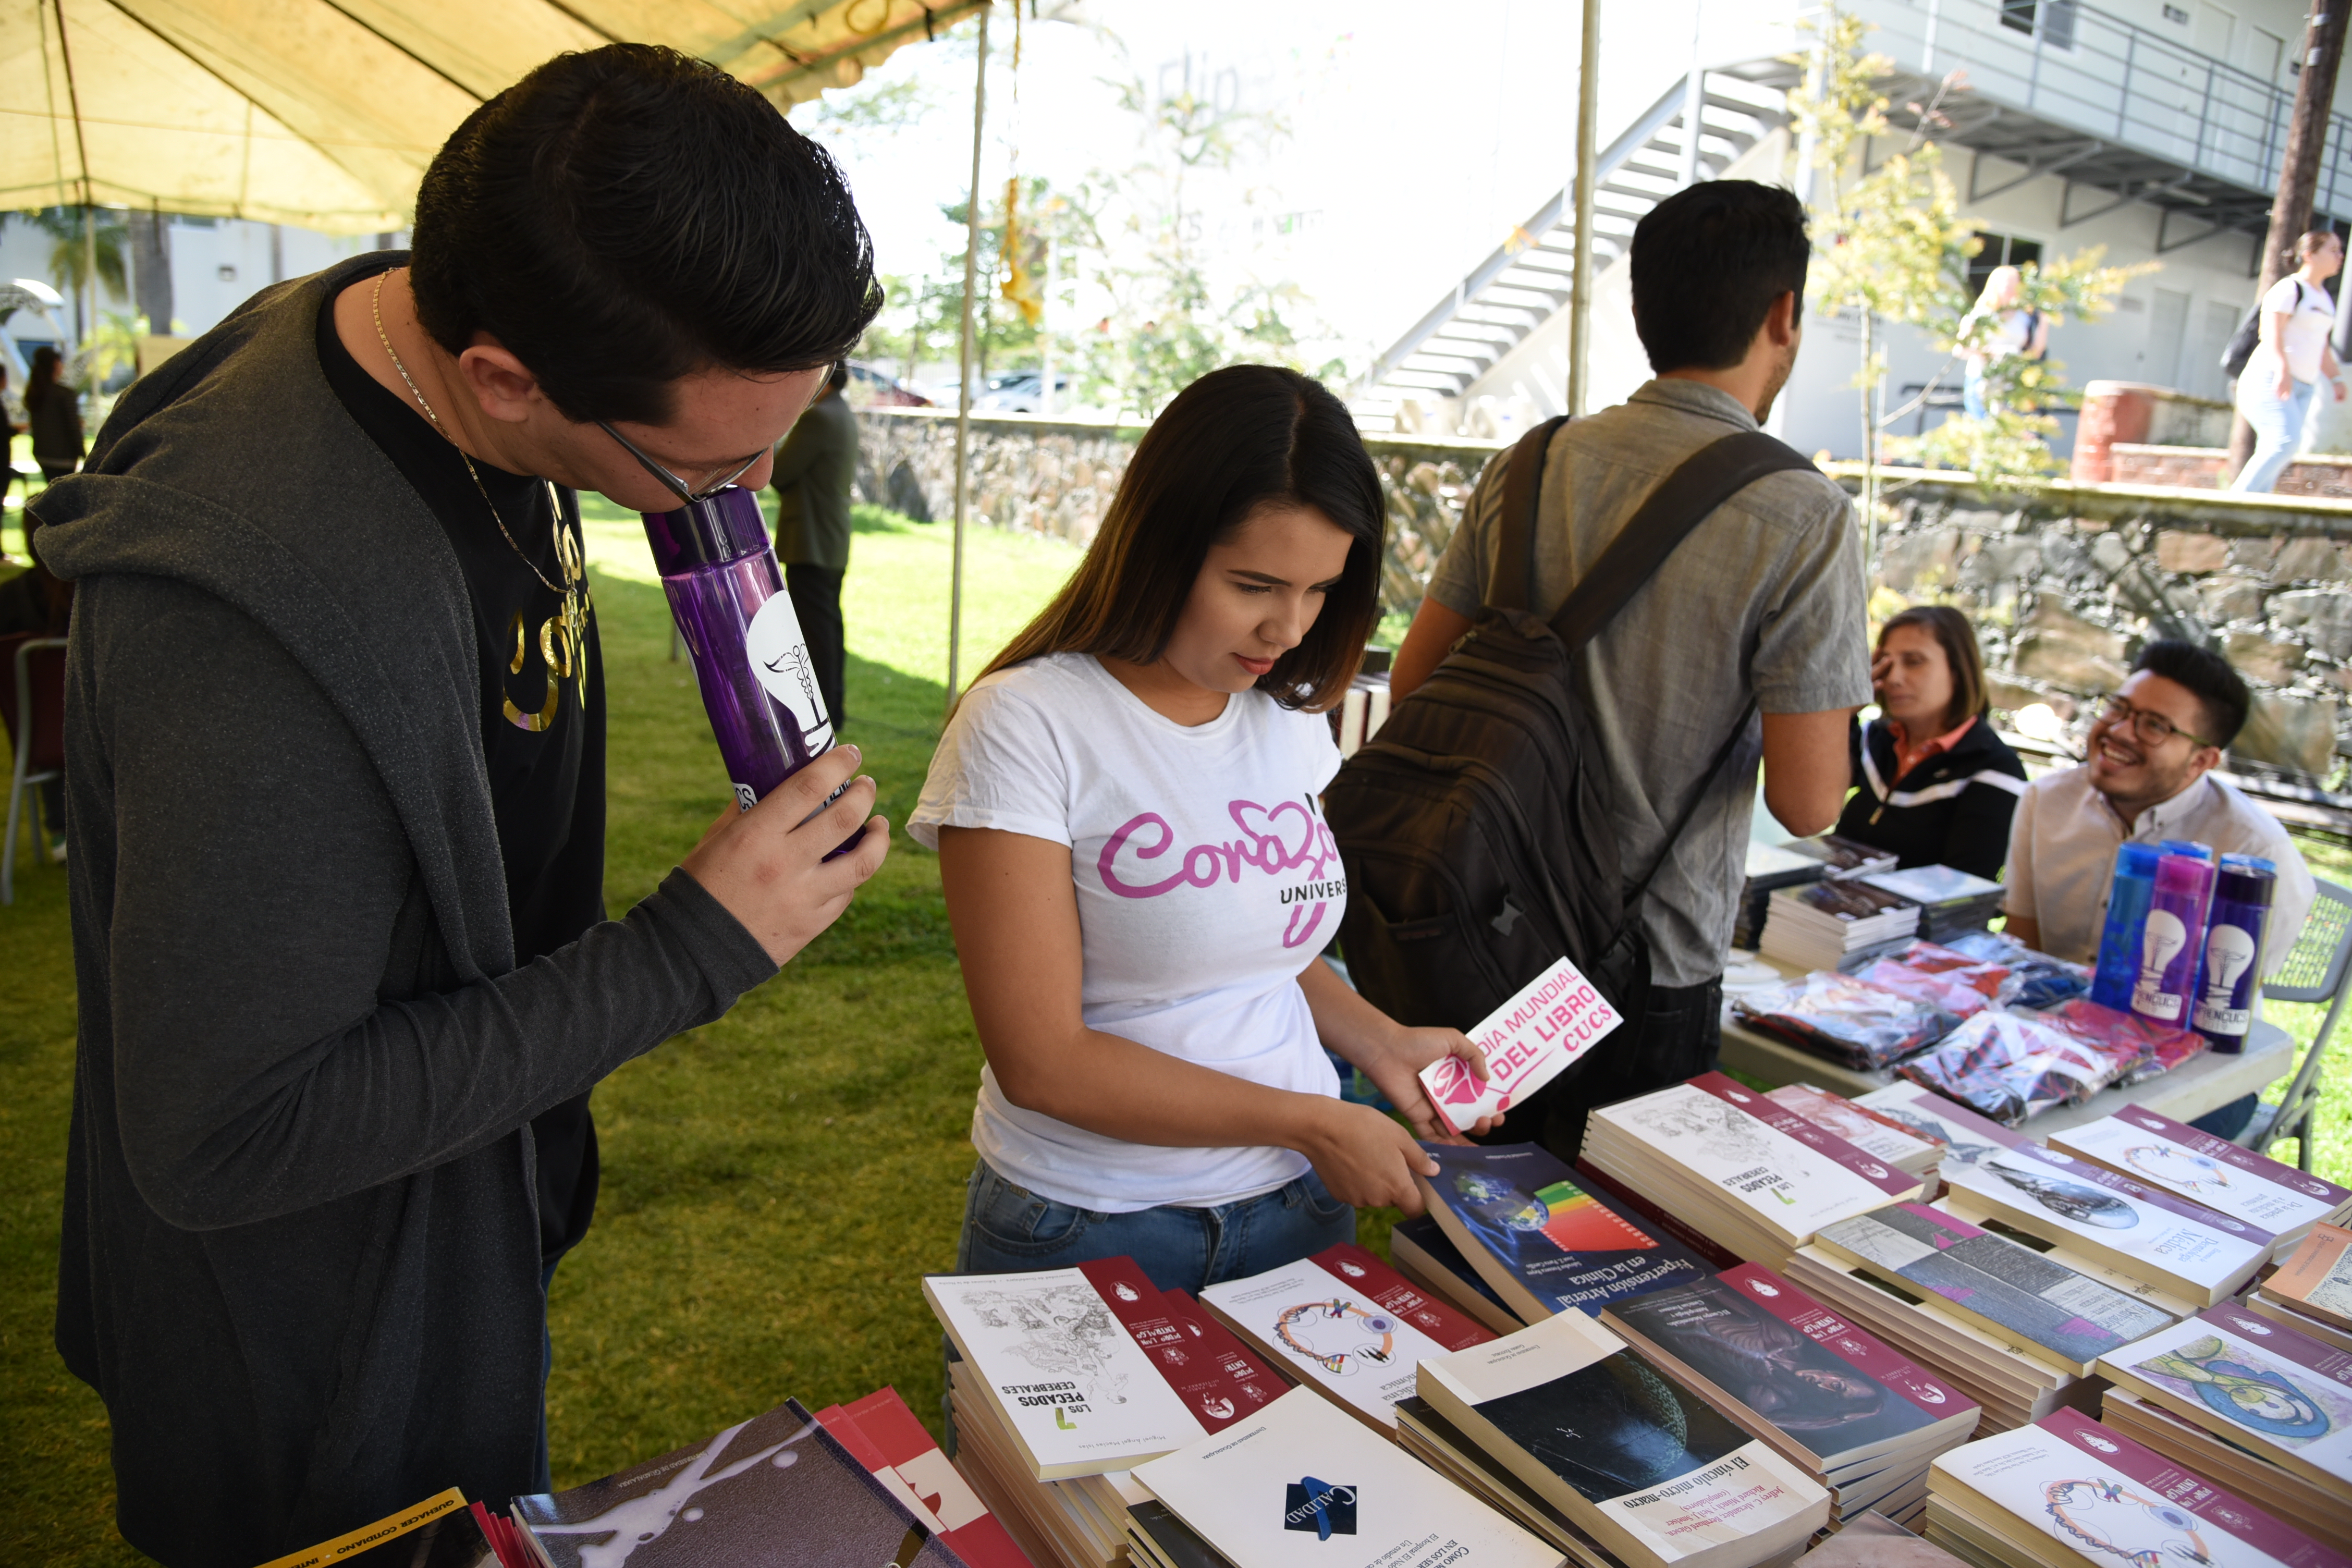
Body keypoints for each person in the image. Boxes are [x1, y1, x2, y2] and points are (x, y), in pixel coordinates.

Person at [30, 46, 890, 1568]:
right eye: (714, 464)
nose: (745, 497)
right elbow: (227, 1133)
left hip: (454, 1230)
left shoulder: (429, 315)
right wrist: (693, 945)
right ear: (506, 378)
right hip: (315, 1361)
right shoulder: (257, 622)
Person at [911, 364, 1497, 1296]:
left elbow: (1254, 944)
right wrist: (1309, 1120)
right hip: (1095, 1223)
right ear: (1159, 545)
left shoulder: (1283, 713)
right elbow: (1043, 1060)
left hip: (1299, 1198)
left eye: (1319, 590)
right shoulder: (1027, 722)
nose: (1287, 627)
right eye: (1254, 583)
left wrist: (1379, 1041)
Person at [1389, 179, 1871, 1158]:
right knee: (1606, 1265)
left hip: (1479, 923)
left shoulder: (1533, 460)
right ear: (1783, 315)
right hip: (1644, 965)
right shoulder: (1802, 513)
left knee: (1464, 1227)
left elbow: (1413, 689)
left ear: (1641, 310)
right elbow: (1813, 801)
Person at [2002, 639, 2316, 1136]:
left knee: (2095, 1152)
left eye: (2154, 726)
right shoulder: (2047, 800)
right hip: (2051, 1036)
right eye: (2119, 709)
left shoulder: (2255, 853)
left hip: (2187, 1065)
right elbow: (2024, 949)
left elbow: (2227, 1000)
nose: (2119, 732)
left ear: (2202, 760)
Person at [1833, 605, 2026, 879]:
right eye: (1885, 662)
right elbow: (1809, 802)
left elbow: (1960, 895)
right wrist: (1847, 712)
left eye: (1914, 662)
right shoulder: (1876, 739)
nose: (1894, 678)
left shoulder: (1995, 770)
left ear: (1957, 671)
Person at [772, 357, 857, 729]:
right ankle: (832, 709)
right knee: (827, 628)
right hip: (828, 539)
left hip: (812, 541)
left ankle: (820, 713)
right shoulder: (842, 413)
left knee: (814, 633)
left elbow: (779, 473)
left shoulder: (820, 417)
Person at [2231, 229, 2345, 494]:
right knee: (2283, 442)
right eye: (2333, 250)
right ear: (2309, 255)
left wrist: (2336, 378)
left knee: (2280, 449)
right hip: (2270, 378)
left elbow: (2320, 345)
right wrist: (2282, 369)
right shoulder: (2289, 289)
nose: (2340, 256)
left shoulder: (2324, 298)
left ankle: (2255, 513)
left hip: (2304, 386)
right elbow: (2270, 332)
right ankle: (2236, 502)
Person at [1957, 265, 2049, 420]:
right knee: (1983, 427)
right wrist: (1989, 353)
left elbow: (2035, 352)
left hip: (2012, 382)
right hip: (1983, 378)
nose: (2010, 288)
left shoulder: (2024, 318)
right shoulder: (1981, 314)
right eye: (2006, 283)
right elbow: (1960, 349)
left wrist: (2045, 321)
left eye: (2015, 283)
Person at [25, 345, 83, 485]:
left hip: (42, 453)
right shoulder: (64, 394)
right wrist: (83, 452)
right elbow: (73, 426)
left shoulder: (34, 393)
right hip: (64, 456)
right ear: (55, 365)